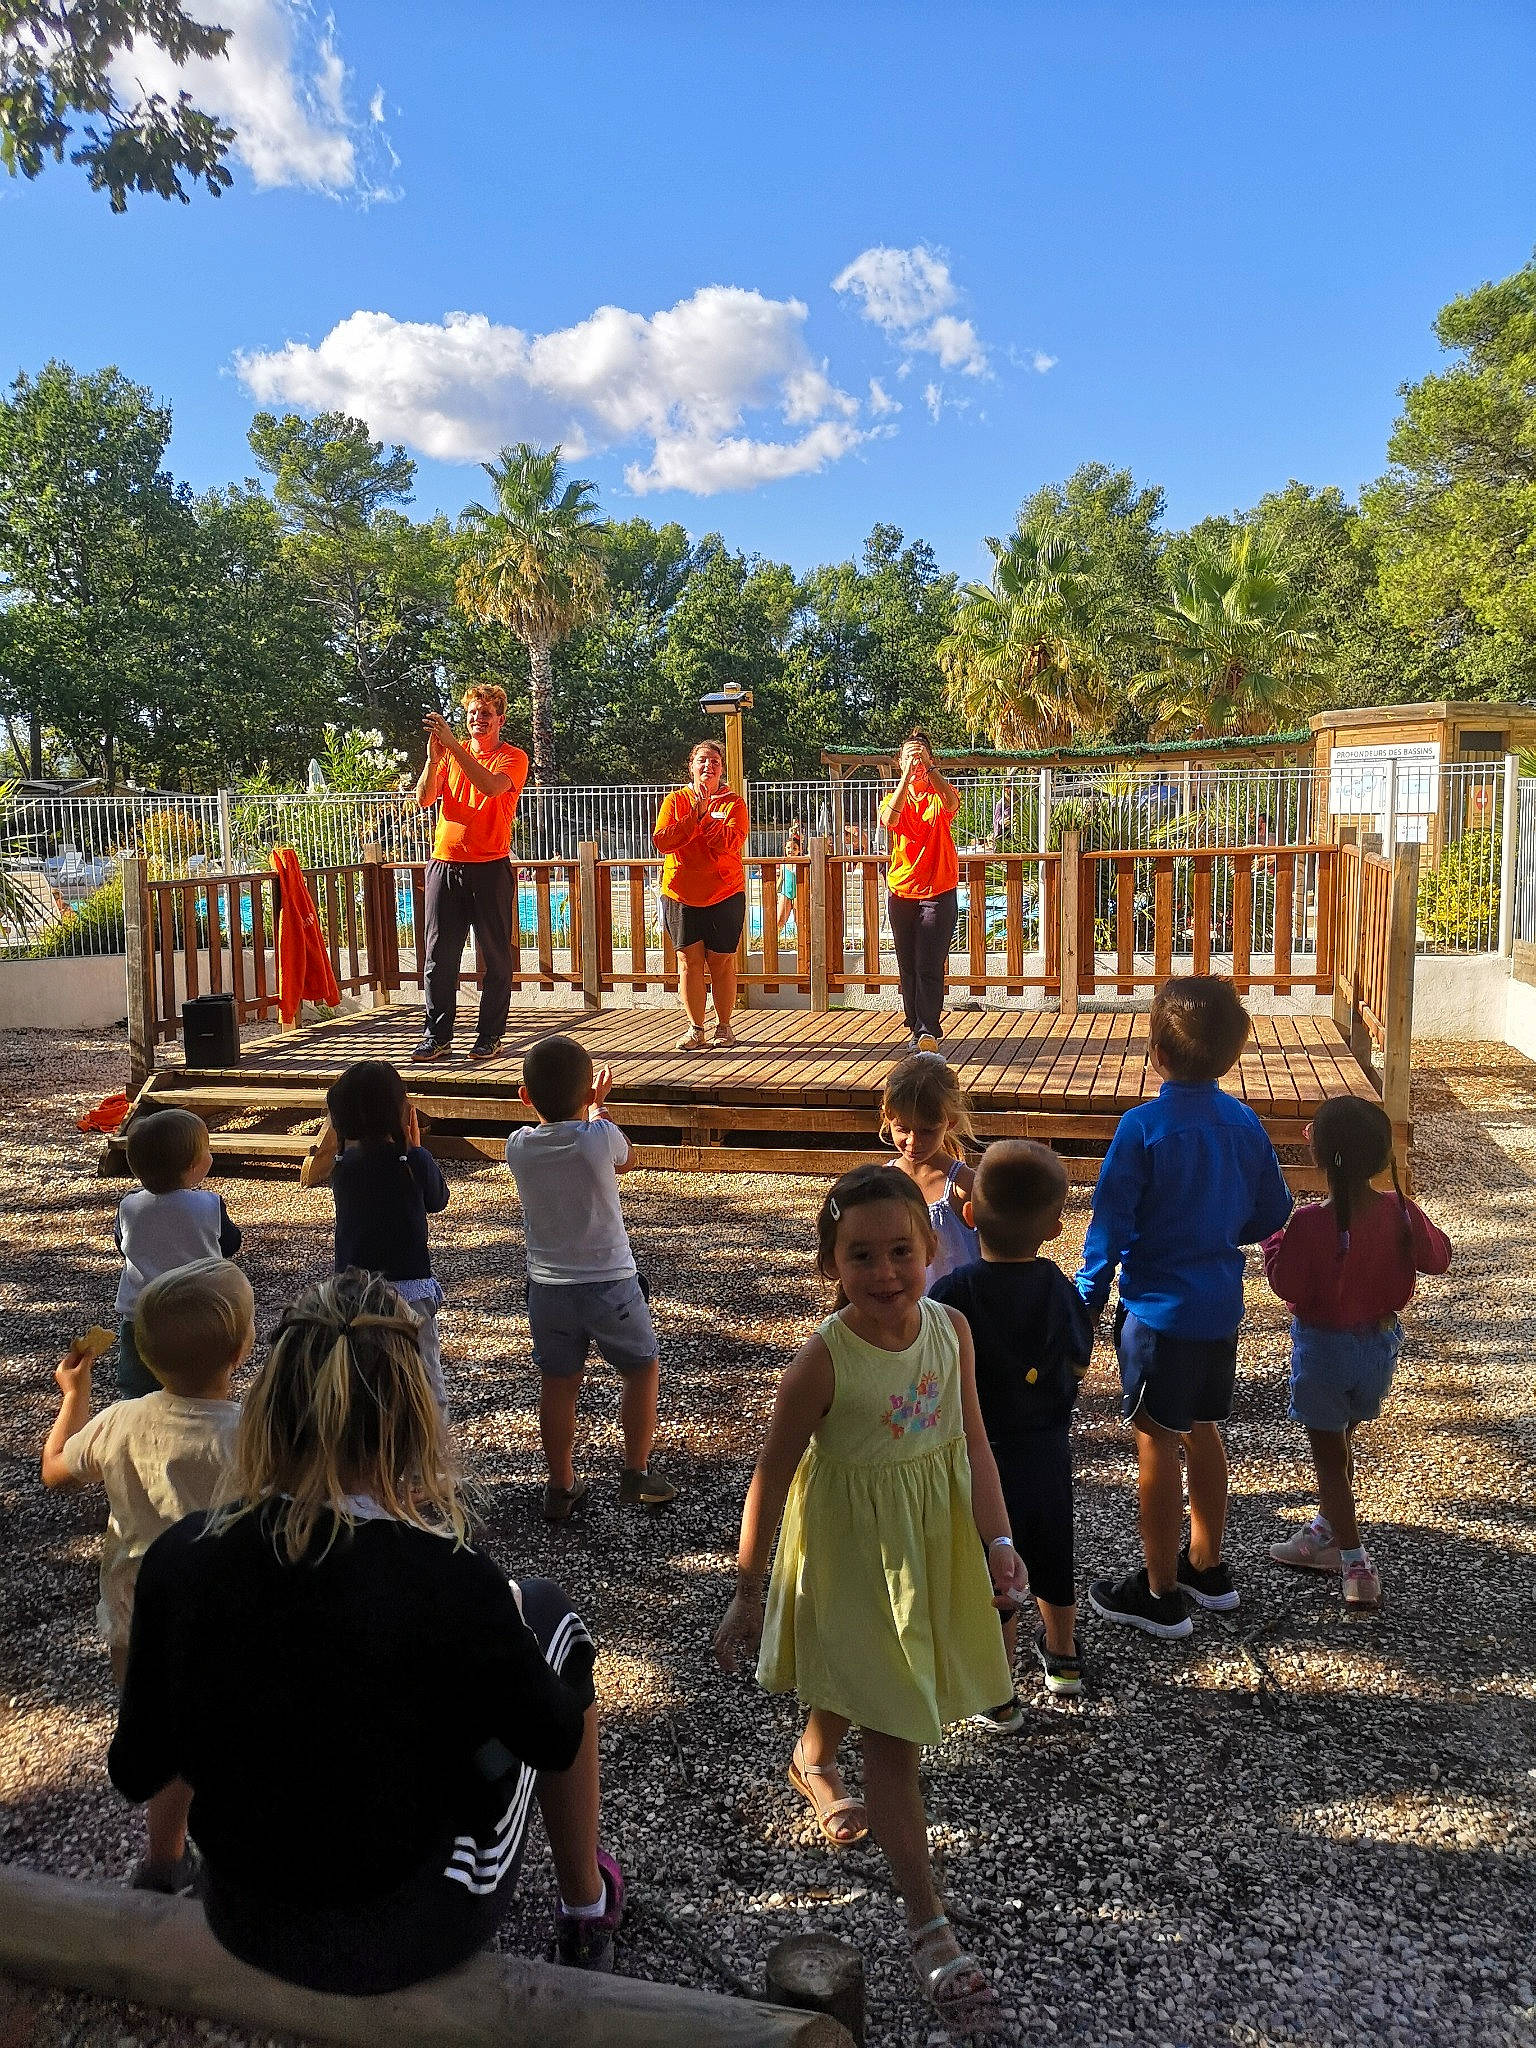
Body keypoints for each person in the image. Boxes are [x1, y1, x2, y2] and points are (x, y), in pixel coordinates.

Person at [108, 1268, 623, 1992]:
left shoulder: (182, 1557)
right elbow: (551, 1737)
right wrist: (500, 1648)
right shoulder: (450, 1577)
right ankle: (585, 1906)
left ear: (270, 1406)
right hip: (410, 1928)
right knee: (550, 1615)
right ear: (413, 1417)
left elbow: (135, 1769)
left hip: (246, 1912)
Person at [713, 1166, 1023, 2040]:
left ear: (932, 1249)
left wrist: (998, 1542)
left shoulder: (952, 1331)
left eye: (901, 1252)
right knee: (898, 1730)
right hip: (853, 1556)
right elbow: (770, 1476)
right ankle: (930, 1927)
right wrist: (748, 1589)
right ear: (831, 1264)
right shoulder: (823, 1360)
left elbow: (974, 1442)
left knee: (869, 1681)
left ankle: (812, 1758)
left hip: (928, 1551)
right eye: (861, 1257)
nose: (885, 1273)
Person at [1076, 977, 1293, 1639]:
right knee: (1202, 1429)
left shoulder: (1142, 1128)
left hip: (1157, 1316)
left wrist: (1087, 1296)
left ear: (1156, 1055)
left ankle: (1159, 1591)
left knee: (1154, 1441)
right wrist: (1220, 1230)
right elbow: (1275, 1210)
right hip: (1218, 1308)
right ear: (1231, 1055)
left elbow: (1109, 1225)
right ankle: (1205, 1565)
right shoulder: (1243, 1122)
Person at [43, 1259, 251, 1891]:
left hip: (135, 1612)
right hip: (224, 1617)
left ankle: (164, 1859)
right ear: (241, 1352)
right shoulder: (249, 1434)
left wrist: (73, 1399)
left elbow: (54, 1468)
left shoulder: (121, 1420)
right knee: (229, 1729)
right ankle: (236, 1858)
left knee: (164, 1736)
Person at [1262, 1097, 1451, 1609]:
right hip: (1379, 1347)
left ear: (1318, 1154)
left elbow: (1285, 1283)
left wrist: (1273, 1245)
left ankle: (1353, 1560)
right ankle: (1329, 1523)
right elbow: (1439, 1257)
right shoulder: (1398, 1210)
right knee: (1343, 1437)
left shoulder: (1307, 1223)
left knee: (1326, 1456)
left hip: (1324, 1350)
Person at [931, 1141, 1093, 1705]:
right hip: (1046, 1444)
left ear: (968, 1214)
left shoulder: (954, 1293)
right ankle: (1064, 1654)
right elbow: (1080, 1351)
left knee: (992, 1563)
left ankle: (1000, 1689)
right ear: (1053, 1228)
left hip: (978, 1451)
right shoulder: (1058, 1286)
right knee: (1053, 1550)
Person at [505, 1034, 678, 1521]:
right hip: (609, 1283)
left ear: (525, 1097)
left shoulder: (517, 1147)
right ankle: (637, 1473)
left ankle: (560, 1485)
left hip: (547, 1287)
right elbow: (626, 1155)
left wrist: (585, 1108)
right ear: (587, 1094)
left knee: (558, 1382)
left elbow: (558, 1132)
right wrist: (598, 1110)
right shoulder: (598, 1137)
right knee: (641, 1367)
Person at [300, 1060, 452, 1411]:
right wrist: (417, 1149)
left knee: (365, 1374)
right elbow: (438, 1201)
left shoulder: (343, 1166)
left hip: (355, 1289)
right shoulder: (411, 1161)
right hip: (410, 1288)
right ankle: (428, 1453)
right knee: (425, 1376)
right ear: (400, 1111)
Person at [413, 684, 530, 1066]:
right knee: (438, 957)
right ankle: (437, 1036)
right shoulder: (447, 754)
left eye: (485, 714)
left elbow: (491, 787)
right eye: (473, 714)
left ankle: (489, 1036)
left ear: (500, 720)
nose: (478, 720)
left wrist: (455, 747)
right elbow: (424, 798)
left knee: (495, 957)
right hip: (444, 864)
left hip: (490, 867)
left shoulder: (512, 757)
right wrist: (433, 758)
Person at [111, 1109, 242, 1398]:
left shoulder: (129, 1206)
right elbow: (231, 1242)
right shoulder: (208, 1205)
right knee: (198, 1378)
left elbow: (122, 1244)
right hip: (197, 1309)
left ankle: (137, 1413)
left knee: (137, 1380)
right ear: (193, 1167)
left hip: (140, 1311)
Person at [652, 739, 749, 1052]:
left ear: (722, 770)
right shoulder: (675, 800)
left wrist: (705, 816)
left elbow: (731, 843)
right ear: (691, 766)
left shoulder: (734, 803)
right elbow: (663, 841)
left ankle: (724, 1026)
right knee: (688, 962)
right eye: (702, 761)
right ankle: (696, 1028)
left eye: (715, 763)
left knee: (721, 962)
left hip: (724, 892)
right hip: (681, 893)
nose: (709, 767)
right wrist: (695, 813)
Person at [880, 730, 961, 1054]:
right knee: (908, 964)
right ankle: (915, 1024)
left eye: (921, 756)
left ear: (931, 760)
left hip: (938, 889)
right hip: (902, 892)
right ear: (899, 762)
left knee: (929, 963)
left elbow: (953, 803)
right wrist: (905, 777)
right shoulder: (893, 796)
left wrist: (929, 769)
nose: (915, 762)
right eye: (909, 757)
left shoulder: (938, 794)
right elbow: (889, 819)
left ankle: (928, 1028)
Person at [880, 1053, 979, 1289]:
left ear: (951, 1121)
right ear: (887, 1116)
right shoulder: (882, 1183)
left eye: (927, 1131)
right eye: (903, 1129)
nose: (913, 1142)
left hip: (957, 1316)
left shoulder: (964, 1186)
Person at [777, 820, 804, 937]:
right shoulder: (783, 863)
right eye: (788, 848)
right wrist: (776, 892)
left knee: (800, 921)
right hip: (786, 892)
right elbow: (781, 879)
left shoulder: (801, 863)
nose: (790, 851)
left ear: (799, 850)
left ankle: (802, 945)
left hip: (799, 893)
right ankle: (775, 940)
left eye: (794, 849)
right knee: (780, 920)